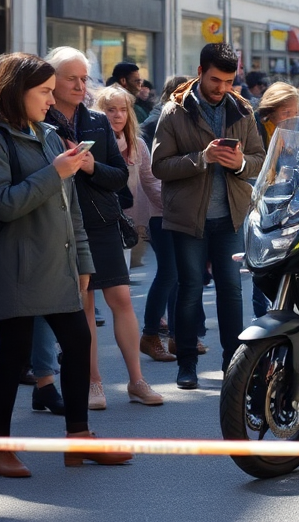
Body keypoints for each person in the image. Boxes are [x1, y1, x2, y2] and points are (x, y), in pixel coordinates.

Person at [0, 53, 131, 478]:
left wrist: (83, 260)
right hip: (16, 266)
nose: (50, 98)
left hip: (59, 264)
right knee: (13, 356)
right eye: (42, 91)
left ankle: (78, 438)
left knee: (77, 343)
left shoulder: (46, 133)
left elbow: (71, 207)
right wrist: (55, 172)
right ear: (14, 92)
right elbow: (3, 204)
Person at [44, 47, 161, 408]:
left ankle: (136, 381)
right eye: (72, 79)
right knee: (83, 305)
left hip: (101, 221)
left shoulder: (96, 121)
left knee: (121, 299)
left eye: (84, 78)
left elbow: (117, 178)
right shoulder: (40, 120)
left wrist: (91, 167)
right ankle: (94, 382)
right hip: (59, 225)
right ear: (53, 81)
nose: (81, 86)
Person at [152, 43, 266, 388]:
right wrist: (201, 158)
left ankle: (233, 364)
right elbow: (159, 166)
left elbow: (260, 159)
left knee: (231, 290)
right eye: (216, 79)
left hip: (231, 217)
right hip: (189, 219)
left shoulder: (243, 110)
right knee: (189, 290)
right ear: (200, 72)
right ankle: (186, 364)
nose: (222, 88)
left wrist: (241, 163)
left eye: (229, 81)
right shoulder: (174, 113)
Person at [96, 85, 172, 363]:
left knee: (121, 295)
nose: (117, 115)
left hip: (124, 226)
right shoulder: (90, 141)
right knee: (84, 296)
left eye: (122, 109)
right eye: (110, 109)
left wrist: (175, 211)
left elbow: (152, 182)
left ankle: (138, 363)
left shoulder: (137, 143)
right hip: (92, 226)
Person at [138, 75, 192, 358]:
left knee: (180, 275)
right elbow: (151, 175)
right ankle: (150, 335)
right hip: (163, 210)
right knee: (169, 273)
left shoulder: (177, 119)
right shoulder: (155, 123)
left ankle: (176, 336)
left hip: (178, 207)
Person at [250, 83, 299, 317]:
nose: (292, 118)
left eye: (295, 112)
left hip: (290, 211)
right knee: (262, 271)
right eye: (286, 112)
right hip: (262, 211)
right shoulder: (258, 131)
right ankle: (263, 321)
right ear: (270, 111)